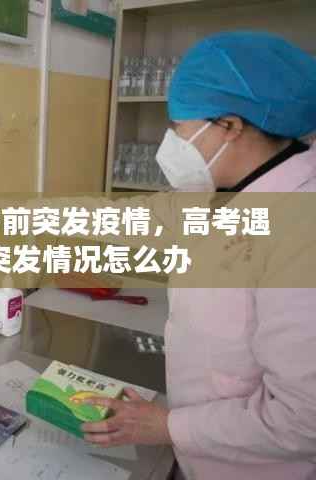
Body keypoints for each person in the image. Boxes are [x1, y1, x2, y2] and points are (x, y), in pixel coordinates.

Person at [80, 31, 316, 479]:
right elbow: (119, 218)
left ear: (230, 126)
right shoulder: (220, 194)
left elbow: (305, 419)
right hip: (201, 453)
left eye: (179, 127)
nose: (172, 142)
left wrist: (169, 426)